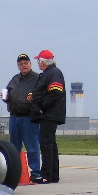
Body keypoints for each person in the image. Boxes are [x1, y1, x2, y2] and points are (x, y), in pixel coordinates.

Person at [1, 54, 42, 182]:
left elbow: (42, 94)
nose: (23, 66)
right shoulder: (15, 79)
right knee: (14, 147)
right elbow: (9, 93)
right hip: (14, 116)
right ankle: (15, 172)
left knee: (32, 146)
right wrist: (6, 98)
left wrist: (34, 97)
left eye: (25, 63)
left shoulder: (37, 78)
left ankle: (36, 172)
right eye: (21, 64)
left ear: (30, 64)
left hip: (28, 117)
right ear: (18, 66)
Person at [29, 50, 66, 183]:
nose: (37, 63)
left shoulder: (53, 73)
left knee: (46, 144)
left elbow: (56, 93)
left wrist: (42, 108)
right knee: (50, 144)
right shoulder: (49, 73)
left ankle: (46, 175)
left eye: (38, 60)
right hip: (50, 114)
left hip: (49, 115)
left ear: (43, 62)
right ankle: (53, 175)